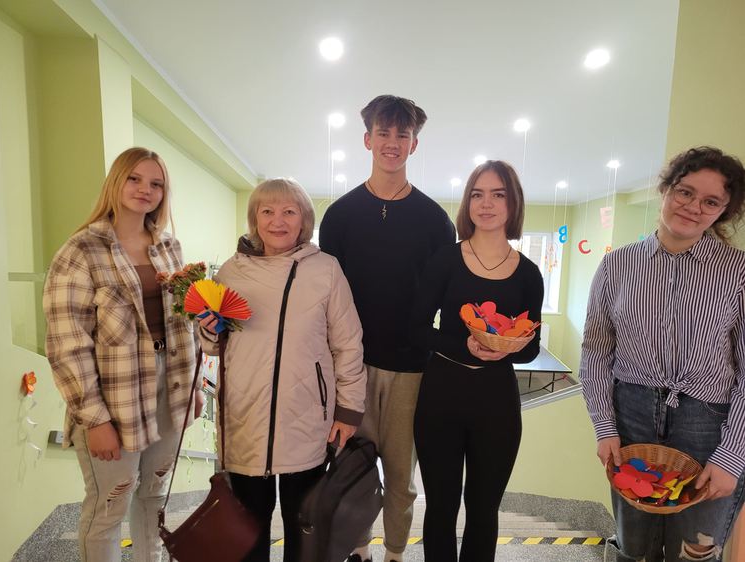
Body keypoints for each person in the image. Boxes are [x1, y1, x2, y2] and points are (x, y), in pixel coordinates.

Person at [580, 146, 745, 562]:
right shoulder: (616, 266)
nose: (693, 207)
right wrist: (604, 425)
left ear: (723, 212)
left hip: (709, 423)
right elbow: (596, 351)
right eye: (685, 192)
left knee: (696, 548)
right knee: (633, 545)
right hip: (631, 414)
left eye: (711, 202)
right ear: (667, 189)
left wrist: (732, 455)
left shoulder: (737, 271)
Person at [43, 147, 202, 562]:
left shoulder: (169, 247)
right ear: (116, 181)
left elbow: (185, 321)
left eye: (156, 184)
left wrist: (195, 387)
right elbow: (66, 343)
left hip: (172, 385)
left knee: (153, 497)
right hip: (115, 394)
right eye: (134, 179)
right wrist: (94, 419)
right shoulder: (82, 250)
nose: (145, 190)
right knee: (109, 507)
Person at [198, 178, 366, 562]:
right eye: (268, 211)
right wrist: (206, 330)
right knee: (248, 531)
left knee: (305, 528)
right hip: (245, 418)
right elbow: (214, 344)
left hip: (306, 419)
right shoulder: (231, 272)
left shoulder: (326, 270)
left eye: (289, 211)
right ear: (255, 219)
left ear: (303, 220)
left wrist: (349, 410)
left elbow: (348, 345)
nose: (278, 220)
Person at [319, 94, 456, 562]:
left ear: (414, 144)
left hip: (411, 370)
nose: (392, 142)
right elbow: (325, 296)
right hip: (350, 368)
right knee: (351, 472)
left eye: (402, 134)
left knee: (401, 477)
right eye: (384, 133)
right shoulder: (339, 215)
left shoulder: (435, 220)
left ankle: (395, 553)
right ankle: (359, 550)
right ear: (367, 139)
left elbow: (446, 300)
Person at [409, 160, 543, 561]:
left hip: (496, 401)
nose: (486, 204)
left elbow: (531, 347)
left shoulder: (529, 273)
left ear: (512, 203)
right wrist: (463, 346)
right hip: (441, 395)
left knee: (484, 509)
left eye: (498, 194)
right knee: (441, 506)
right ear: (468, 203)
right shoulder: (445, 260)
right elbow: (416, 328)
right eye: (477, 194)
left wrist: (506, 347)